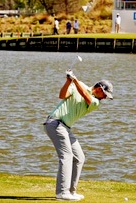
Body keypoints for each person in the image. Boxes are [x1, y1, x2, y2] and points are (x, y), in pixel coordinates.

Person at [44, 69, 113, 201]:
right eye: (105, 94)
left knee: (79, 157)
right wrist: (68, 81)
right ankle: (62, 193)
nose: (105, 98)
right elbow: (62, 95)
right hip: (55, 124)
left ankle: (71, 191)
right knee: (67, 156)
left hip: (64, 127)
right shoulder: (78, 85)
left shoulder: (95, 102)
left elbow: (86, 96)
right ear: (99, 88)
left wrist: (74, 80)